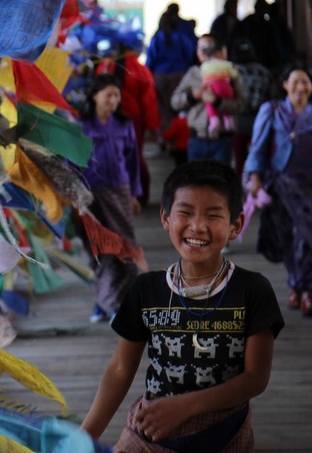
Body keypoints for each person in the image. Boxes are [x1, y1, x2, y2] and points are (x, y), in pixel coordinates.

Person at [82, 160, 284, 450]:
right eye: (185, 213)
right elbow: (120, 369)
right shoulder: (146, 289)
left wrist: (186, 406)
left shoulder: (252, 290)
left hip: (223, 433)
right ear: (166, 218)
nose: (197, 226)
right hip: (152, 429)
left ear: (235, 225)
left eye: (213, 215)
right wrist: (85, 435)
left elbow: (256, 378)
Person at [244, 64, 312, 316]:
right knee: (286, 236)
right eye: (295, 82)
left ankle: (306, 290)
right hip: (280, 184)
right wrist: (254, 177)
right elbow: (258, 146)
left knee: (306, 236)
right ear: (285, 85)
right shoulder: (272, 110)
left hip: (308, 186)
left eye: (305, 82)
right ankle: (295, 283)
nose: (301, 87)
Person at [78, 73, 143, 323]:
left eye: (117, 96)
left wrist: (135, 193)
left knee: (124, 246)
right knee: (98, 249)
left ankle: (120, 303)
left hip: (119, 191)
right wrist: (73, 197)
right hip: (89, 195)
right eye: (108, 95)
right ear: (95, 96)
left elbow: (133, 161)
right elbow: (70, 163)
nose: (113, 101)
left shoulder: (124, 125)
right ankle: (104, 301)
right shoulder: (80, 126)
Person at [95, 46, 160, 204]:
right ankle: (139, 195)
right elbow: (149, 99)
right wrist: (152, 125)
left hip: (107, 116)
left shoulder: (104, 66)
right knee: (134, 155)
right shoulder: (139, 69)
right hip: (133, 117)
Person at [170, 35, 245, 165]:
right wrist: (193, 97)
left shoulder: (231, 72)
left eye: (208, 47)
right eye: (200, 48)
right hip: (197, 139)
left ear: (221, 51)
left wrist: (218, 102)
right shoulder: (194, 73)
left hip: (222, 140)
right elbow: (175, 102)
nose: (204, 52)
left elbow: (241, 104)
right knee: (196, 176)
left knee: (220, 176)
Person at [145, 4, 198, 136]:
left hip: (160, 75)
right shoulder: (181, 37)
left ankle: (165, 136)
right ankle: (178, 136)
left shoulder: (157, 37)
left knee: (163, 108)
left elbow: (151, 58)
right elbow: (190, 53)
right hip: (179, 74)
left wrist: (148, 73)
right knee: (178, 105)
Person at [229, 39, 275, 179]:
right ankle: (257, 186)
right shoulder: (264, 72)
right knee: (260, 157)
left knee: (239, 159)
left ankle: (240, 188)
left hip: (238, 121)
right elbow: (273, 98)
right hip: (260, 120)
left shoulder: (231, 72)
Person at [198, 53, 239, 134]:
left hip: (213, 87)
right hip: (227, 87)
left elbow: (203, 77)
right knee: (227, 105)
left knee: (209, 103)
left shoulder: (204, 65)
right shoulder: (228, 64)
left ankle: (214, 120)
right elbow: (234, 74)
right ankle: (228, 122)